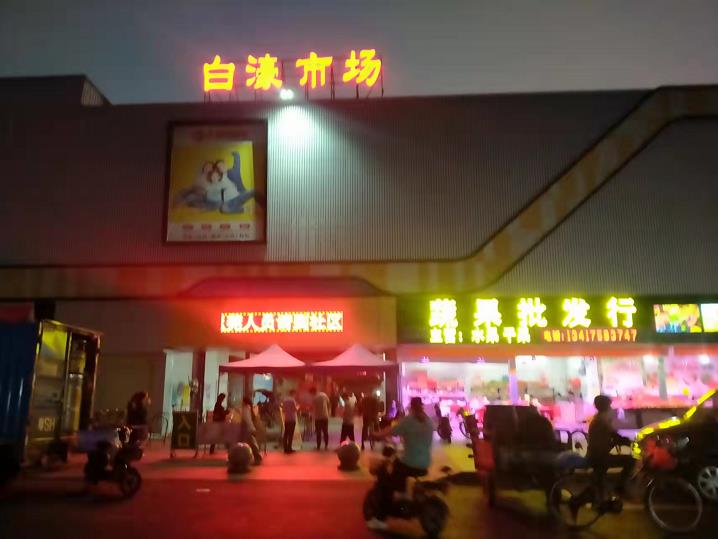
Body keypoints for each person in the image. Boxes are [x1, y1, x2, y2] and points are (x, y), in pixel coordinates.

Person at [366, 397, 435, 531]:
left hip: (410, 462)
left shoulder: (408, 421)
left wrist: (375, 435)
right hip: (425, 463)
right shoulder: (428, 421)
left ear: (411, 407)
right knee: (399, 466)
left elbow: (390, 431)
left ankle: (379, 519)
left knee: (387, 484)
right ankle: (404, 494)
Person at [587, 395, 633, 494]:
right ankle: (620, 487)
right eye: (609, 406)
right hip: (600, 457)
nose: (611, 408)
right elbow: (614, 436)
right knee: (630, 460)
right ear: (606, 407)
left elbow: (612, 436)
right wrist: (628, 442)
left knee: (600, 484)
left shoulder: (599, 419)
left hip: (598, 455)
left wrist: (622, 442)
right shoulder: (601, 421)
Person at [240, 396, 262, 465]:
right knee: (251, 443)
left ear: (244, 402)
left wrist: (251, 428)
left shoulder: (245, 409)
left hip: (247, 429)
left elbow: (247, 420)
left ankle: (257, 457)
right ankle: (255, 457)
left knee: (251, 444)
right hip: (249, 429)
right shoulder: (248, 409)